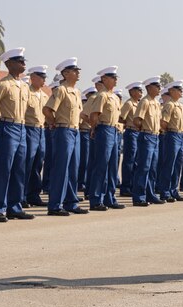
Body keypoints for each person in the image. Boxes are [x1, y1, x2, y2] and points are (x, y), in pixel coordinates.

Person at [0, 48, 35, 222]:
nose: (23, 64)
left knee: (19, 169)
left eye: (23, 61)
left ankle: (14, 206)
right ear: (9, 64)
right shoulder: (3, 84)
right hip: (8, 126)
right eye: (19, 61)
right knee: (4, 169)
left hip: (21, 128)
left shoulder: (25, 86)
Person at [43, 58, 88, 216]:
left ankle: (71, 202)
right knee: (61, 168)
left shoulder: (76, 91)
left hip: (75, 131)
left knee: (73, 168)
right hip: (63, 130)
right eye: (74, 71)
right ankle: (55, 205)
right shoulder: (61, 90)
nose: (78, 73)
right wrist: (54, 124)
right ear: (66, 73)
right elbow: (47, 110)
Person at [87, 66, 125, 211]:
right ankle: (96, 199)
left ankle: (110, 198)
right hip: (104, 129)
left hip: (114, 130)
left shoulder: (114, 97)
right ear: (104, 79)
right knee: (101, 165)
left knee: (112, 167)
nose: (115, 80)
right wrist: (94, 129)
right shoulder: (102, 95)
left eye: (116, 78)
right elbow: (94, 116)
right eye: (112, 77)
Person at [131, 76, 164, 205]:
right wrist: (144, 130)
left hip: (155, 136)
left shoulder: (156, 103)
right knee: (143, 167)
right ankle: (139, 196)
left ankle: (150, 194)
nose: (159, 89)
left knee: (152, 168)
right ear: (149, 88)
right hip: (147, 136)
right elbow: (137, 120)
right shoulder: (144, 102)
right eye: (157, 86)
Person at [22, 65, 49, 208]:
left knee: (38, 164)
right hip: (28, 129)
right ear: (33, 78)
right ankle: (22, 195)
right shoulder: (27, 93)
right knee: (27, 164)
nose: (44, 80)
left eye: (45, 77)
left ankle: (34, 194)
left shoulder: (45, 96)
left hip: (41, 131)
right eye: (41, 77)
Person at [157, 80, 183, 201]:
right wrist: (169, 133)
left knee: (177, 165)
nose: (181, 92)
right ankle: (165, 191)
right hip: (172, 135)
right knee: (169, 164)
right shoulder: (169, 105)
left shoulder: (180, 106)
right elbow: (163, 123)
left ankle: (174, 190)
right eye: (179, 90)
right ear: (172, 91)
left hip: (180, 136)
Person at [119, 81, 143, 196]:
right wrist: (129, 124)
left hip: (138, 133)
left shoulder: (138, 104)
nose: (141, 93)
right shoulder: (129, 104)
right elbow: (121, 118)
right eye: (139, 90)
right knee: (129, 160)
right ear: (132, 92)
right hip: (131, 132)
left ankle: (132, 184)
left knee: (136, 160)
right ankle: (126, 187)